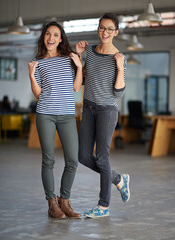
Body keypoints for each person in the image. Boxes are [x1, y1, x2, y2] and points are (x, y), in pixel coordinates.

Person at [76, 13, 130, 218]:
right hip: (88, 108)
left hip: (107, 110)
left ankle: (104, 206)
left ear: (115, 32)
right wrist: (79, 56)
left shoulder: (119, 58)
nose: (104, 32)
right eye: (101, 27)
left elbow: (119, 93)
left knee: (102, 157)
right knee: (83, 156)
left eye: (109, 29)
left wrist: (119, 68)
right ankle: (118, 179)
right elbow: (80, 81)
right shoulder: (89, 50)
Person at [28, 22, 82, 219]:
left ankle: (64, 201)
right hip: (46, 114)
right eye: (47, 34)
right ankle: (52, 204)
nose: (51, 38)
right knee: (48, 160)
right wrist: (31, 75)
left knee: (72, 160)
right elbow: (37, 94)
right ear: (44, 37)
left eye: (55, 35)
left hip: (67, 115)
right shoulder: (37, 62)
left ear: (61, 39)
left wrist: (79, 66)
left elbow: (76, 88)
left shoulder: (69, 59)